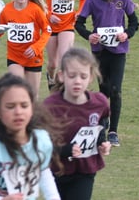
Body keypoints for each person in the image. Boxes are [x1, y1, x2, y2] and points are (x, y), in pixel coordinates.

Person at [74, 0, 139, 147]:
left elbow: (134, 22)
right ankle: (102, 127)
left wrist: (126, 34)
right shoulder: (92, 0)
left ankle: (113, 132)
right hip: (100, 51)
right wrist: (90, 36)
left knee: (116, 90)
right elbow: (79, 24)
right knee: (104, 91)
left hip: (118, 51)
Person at [43, 47, 111, 200]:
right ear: (61, 76)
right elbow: (41, 144)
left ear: (91, 77)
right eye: (72, 76)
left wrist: (102, 143)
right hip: (56, 171)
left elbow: (100, 124)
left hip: (84, 170)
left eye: (83, 76)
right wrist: (66, 150)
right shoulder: (50, 106)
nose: (77, 81)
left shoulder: (100, 103)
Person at [0, 0, 51, 97]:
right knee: (18, 88)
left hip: (33, 57)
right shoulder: (6, 10)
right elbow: (0, 30)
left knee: (32, 95)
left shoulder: (35, 10)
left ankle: (32, 116)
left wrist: (36, 47)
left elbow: (47, 30)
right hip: (14, 56)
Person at [40, 0, 88, 90]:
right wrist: (49, 15)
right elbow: (36, 0)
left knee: (64, 60)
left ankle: (62, 88)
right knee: (53, 64)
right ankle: (50, 77)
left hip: (67, 26)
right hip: (50, 27)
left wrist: (79, 13)